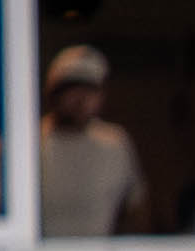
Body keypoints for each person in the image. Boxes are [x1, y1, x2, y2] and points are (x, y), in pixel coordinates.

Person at [34, 45, 147, 238]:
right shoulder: (27, 143)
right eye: (72, 89)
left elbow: (135, 208)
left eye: (90, 89)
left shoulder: (115, 142)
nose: (81, 99)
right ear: (53, 93)